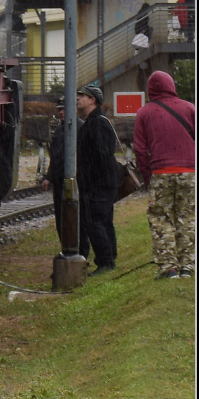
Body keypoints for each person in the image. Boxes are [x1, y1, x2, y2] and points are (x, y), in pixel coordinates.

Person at [133, 69, 196, 278]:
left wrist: (147, 177)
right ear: (172, 86)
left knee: (161, 218)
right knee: (187, 217)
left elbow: (140, 150)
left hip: (160, 172)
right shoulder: (189, 108)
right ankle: (188, 267)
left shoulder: (144, 113)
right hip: (189, 172)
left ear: (150, 89)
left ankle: (169, 267)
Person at [74, 84, 120, 273]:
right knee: (103, 220)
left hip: (100, 182)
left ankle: (105, 262)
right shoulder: (94, 121)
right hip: (101, 181)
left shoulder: (98, 123)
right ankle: (109, 256)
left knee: (94, 220)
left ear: (92, 100)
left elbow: (101, 154)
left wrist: (91, 180)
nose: (77, 99)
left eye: (81, 96)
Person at [43, 97, 68, 244]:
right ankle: (65, 245)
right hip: (59, 179)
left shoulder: (79, 127)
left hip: (73, 179)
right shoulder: (59, 130)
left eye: (64, 109)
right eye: (59, 109)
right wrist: (49, 177)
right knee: (60, 215)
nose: (61, 112)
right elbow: (55, 157)